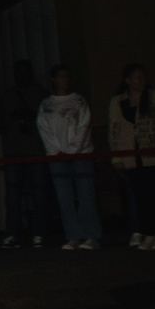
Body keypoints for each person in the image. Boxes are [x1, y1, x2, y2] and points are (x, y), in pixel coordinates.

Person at [106, 62, 155, 251]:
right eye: (137, 78)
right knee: (141, 199)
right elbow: (114, 131)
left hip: (153, 154)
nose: (141, 81)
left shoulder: (154, 97)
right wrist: (116, 157)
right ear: (127, 80)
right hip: (132, 158)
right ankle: (148, 233)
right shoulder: (118, 101)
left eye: (143, 77)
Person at [37, 67, 101, 250]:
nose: (65, 80)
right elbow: (44, 129)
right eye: (61, 76)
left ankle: (91, 235)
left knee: (85, 194)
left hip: (81, 153)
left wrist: (72, 150)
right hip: (57, 156)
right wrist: (56, 150)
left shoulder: (79, 101)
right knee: (64, 197)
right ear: (53, 79)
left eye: (67, 76)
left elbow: (83, 126)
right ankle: (73, 235)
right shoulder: (46, 105)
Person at [0, 59, 54, 249]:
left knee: (38, 193)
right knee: (13, 194)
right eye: (18, 72)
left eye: (24, 71)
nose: (21, 75)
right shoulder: (8, 96)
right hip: (14, 152)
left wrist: (31, 117)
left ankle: (39, 231)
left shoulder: (42, 95)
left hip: (36, 151)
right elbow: (0, 123)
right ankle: (13, 232)